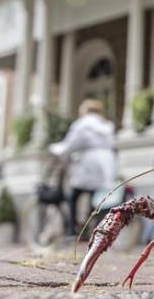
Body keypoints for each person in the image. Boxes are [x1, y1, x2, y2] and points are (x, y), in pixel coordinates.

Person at [49, 99, 116, 234]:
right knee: (95, 195)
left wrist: (56, 149)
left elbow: (71, 144)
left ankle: (73, 230)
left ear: (85, 110)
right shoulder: (107, 125)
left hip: (89, 163)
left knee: (73, 195)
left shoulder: (82, 124)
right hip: (107, 163)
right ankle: (91, 227)